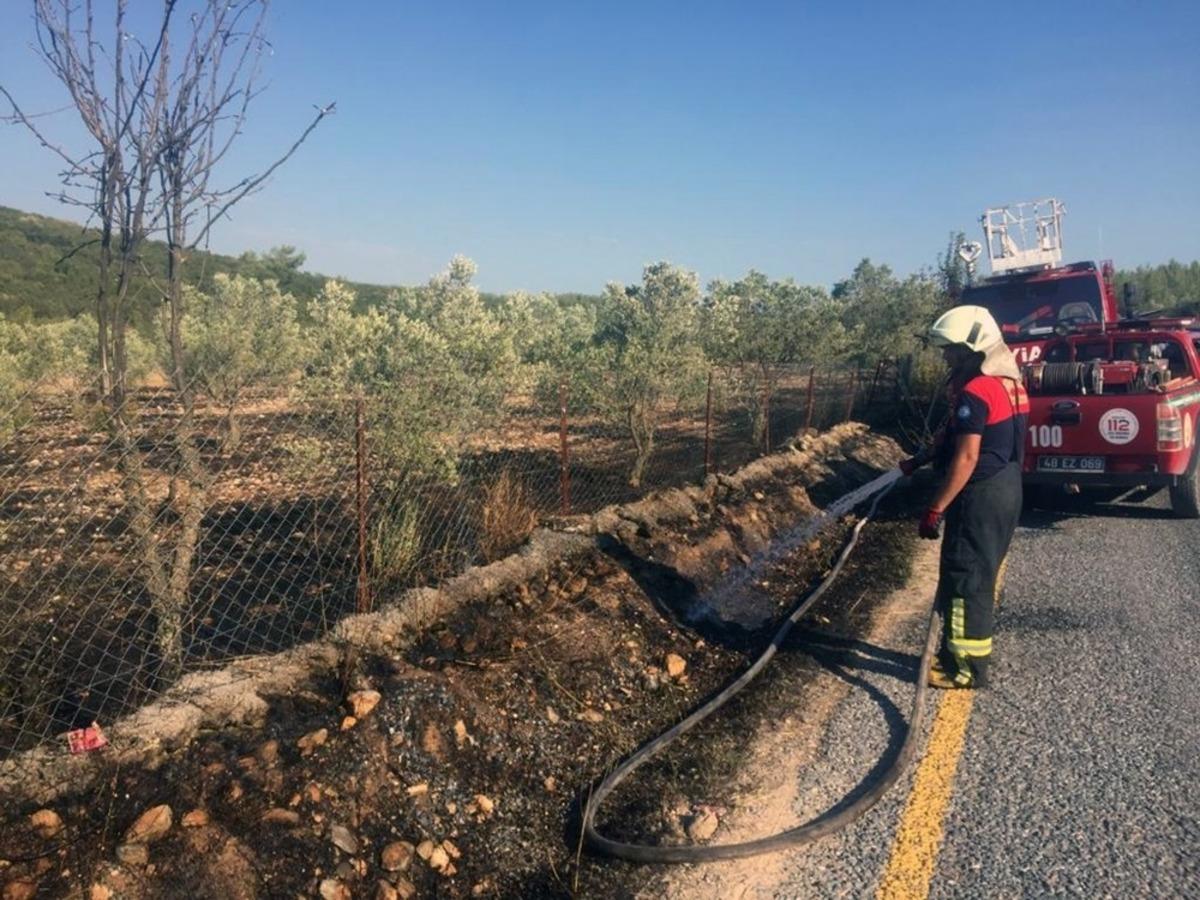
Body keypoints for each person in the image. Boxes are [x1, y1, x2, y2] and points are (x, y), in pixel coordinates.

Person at [899, 305, 1028, 689]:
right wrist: (920, 459)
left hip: (980, 496)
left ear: (973, 349)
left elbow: (968, 455)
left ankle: (966, 669)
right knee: (978, 575)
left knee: (965, 578)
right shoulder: (1010, 386)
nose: (945, 356)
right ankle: (959, 655)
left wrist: (935, 508)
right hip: (1008, 487)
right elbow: (958, 436)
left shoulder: (977, 390)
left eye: (950, 349)